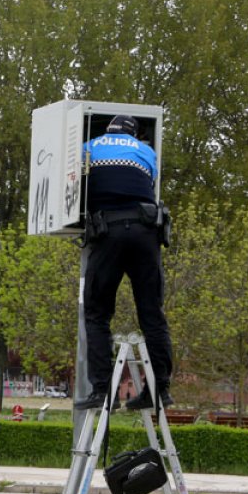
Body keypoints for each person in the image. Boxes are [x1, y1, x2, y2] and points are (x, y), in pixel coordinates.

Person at [77, 114, 174, 411]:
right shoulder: (146, 152)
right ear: (135, 135)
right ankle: (160, 390)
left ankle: (102, 390)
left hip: (110, 232)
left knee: (96, 312)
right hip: (146, 234)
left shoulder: (88, 146)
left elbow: (74, 184)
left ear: (108, 131)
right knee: (152, 314)